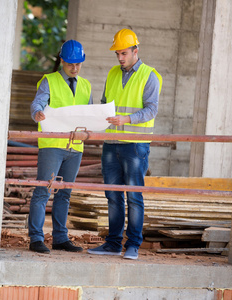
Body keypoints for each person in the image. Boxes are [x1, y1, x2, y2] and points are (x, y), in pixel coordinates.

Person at [87, 29, 162, 259]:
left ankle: (133, 246)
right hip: (111, 142)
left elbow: (151, 109)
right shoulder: (111, 74)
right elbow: (104, 103)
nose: (120, 57)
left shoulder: (150, 75)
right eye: (118, 53)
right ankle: (113, 244)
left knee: (134, 196)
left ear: (135, 51)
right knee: (112, 195)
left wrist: (127, 119)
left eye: (124, 53)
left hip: (135, 145)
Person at [28, 40, 92, 253]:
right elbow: (38, 102)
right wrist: (37, 113)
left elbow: (89, 114)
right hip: (52, 145)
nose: (74, 68)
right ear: (62, 60)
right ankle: (36, 238)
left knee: (64, 193)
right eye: (70, 64)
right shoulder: (49, 81)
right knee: (43, 191)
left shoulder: (85, 85)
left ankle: (60, 238)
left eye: (78, 64)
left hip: (75, 147)